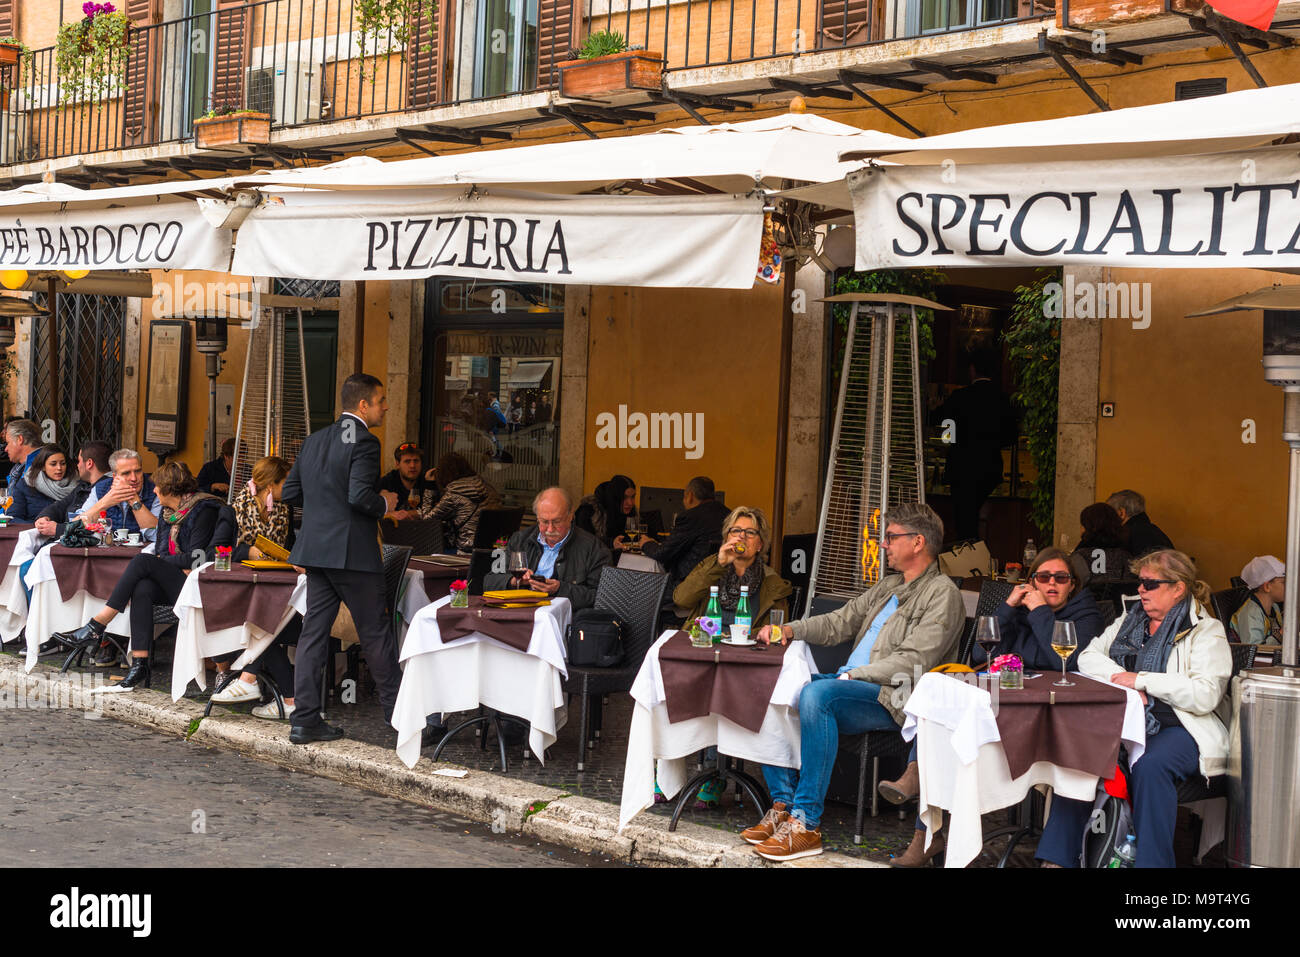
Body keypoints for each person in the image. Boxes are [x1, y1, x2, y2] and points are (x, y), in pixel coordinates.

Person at [741, 503, 964, 862]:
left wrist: (852, 675)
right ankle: (783, 806)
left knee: (817, 695)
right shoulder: (889, 585)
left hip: (893, 696)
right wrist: (790, 629)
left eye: (891, 537)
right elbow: (840, 622)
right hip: (851, 684)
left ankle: (806, 823)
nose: (884, 545)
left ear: (918, 542)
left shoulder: (943, 594)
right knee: (773, 689)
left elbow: (914, 661)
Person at [1033, 549, 1231, 868]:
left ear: (1178, 588)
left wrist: (1141, 681)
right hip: (1124, 720)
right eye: (1140, 582)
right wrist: (1120, 680)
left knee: (1150, 767)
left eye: (1150, 584)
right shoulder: (1131, 618)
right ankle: (1056, 860)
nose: (1140, 589)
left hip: (1180, 726)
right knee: (1081, 754)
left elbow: (1205, 694)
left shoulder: (1205, 631)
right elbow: (1088, 656)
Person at [280, 373, 405, 744]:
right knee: (376, 633)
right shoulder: (365, 441)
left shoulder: (315, 440)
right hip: (352, 553)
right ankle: (399, 717)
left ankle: (304, 719)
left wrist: (324, 511)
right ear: (363, 405)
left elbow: (290, 492)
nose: (385, 406)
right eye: (381, 400)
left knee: (313, 635)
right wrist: (386, 504)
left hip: (317, 552)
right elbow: (358, 497)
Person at [57, 462, 237, 691]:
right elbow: (162, 550)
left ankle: (97, 625)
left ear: (170, 489)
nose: (153, 491)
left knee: (143, 561)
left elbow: (199, 556)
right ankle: (139, 664)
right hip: (178, 579)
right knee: (142, 586)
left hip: (199, 584)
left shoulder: (204, 510)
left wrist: (165, 564)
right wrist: (168, 563)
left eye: (157, 487)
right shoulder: (167, 513)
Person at [210, 455, 301, 719]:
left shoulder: (285, 510)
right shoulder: (233, 510)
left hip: (281, 595)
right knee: (261, 622)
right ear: (271, 485)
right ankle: (286, 697)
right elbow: (215, 551)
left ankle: (252, 682)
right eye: (286, 482)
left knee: (263, 622)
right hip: (241, 595)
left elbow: (292, 549)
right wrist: (245, 550)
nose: (290, 488)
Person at [930, 350, 1018, 542]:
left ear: (972, 370)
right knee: (977, 518)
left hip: (962, 467)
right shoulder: (1003, 400)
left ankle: (968, 557)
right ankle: (977, 554)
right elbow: (1012, 436)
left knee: (964, 520)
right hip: (991, 468)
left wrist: (950, 438)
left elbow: (941, 424)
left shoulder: (960, 397)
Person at [485, 486, 611, 612]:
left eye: (557, 521)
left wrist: (559, 590)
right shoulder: (519, 540)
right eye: (544, 522)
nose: (550, 529)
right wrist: (513, 581)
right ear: (537, 518)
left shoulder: (595, 549)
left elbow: (602, 598)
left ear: (570, 516)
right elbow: (489, 581)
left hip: (565, 623)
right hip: (519, 616)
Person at [631, 477, 730, 594]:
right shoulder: (729, 514)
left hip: (688, 584)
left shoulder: (691, 517)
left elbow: (662, 553)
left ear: (690, 496)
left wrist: (646, 543)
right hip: (721, 582)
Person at [76, 448, 162, 543]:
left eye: (137, 471)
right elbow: (75, 526)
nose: (134, 478)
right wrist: (105, 502)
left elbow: (158, 535)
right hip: (106, 552)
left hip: (142, 554)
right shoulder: (101, 488)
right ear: (115, 477)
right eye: (126, 473)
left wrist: (134, 500)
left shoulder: (155, 490)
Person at [34, 440, 112, 540]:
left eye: (79, 461)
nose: (77, 465)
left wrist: (58, 529)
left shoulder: (106, 489)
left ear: (89, 463)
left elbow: (94, 525)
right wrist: (44, 517)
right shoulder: (83, 486)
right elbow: (61, 506)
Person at [427, 452, 500, 553]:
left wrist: (429, 487)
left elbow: (426, 521)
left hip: (464, 550)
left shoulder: (453, 494)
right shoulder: (488, 488)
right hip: (493, 547)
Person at [1072, 501, 1135, 599]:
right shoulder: (1125, 556)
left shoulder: (1079, 557)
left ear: (1087, 528)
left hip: (1085, 610)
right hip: (1118, 611)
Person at [9, 444, 79, 522]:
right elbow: (13, 518)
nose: (59, 468)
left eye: (63, 463)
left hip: (66, 532)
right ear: (43, 466)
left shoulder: (78, 485)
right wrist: (37, 529)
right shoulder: (26, 485)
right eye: (53, 464)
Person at [1231, 555, 1285, 645]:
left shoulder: (1274, 607)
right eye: (1283, 582)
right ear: (1267, 586)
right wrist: (1281, 634)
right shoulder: (1251, 614)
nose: (1288, 587)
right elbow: (1253, 652)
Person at [574, 474, 638, 550]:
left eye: (633, 497)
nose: (630, 503)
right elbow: (584, 541)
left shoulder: (631, 512)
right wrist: (611, 543)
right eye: (624, 497)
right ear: (615, 497)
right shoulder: (589, 510)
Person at [1107, 489, 1174, 558]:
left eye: (1109, 513)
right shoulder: (1155, 531)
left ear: (1121, 513)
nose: (1107, 518)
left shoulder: (1126, 536)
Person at [379, 442, 438, 520]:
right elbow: (373, 510)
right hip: (394, 530)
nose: (412, 465)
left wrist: (407, 514)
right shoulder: (387, 482)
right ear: (397, 464)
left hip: (422, 530)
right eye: (407, 461)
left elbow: (437, 511)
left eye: (416, 461)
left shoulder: (429, 481)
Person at [3, 418, 42, 493]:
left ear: (20, 439)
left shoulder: (45, 465)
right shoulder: (19, 468)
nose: (6, 449)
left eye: (8, 443)